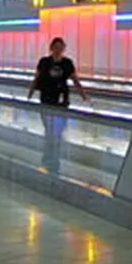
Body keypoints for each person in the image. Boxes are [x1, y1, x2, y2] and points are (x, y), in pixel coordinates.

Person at [27, 37, 88, 173]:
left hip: (61, 103)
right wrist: (29, 95)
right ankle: (48, 158)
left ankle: (54, 159)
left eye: (60, 47)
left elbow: (75, 81)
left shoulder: (67, 63)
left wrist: (84, 96)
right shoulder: (44, 62)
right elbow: (36, 79)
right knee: (49, 131)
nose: (58, 50)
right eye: (56, 47)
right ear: (51, 48)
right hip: (46, 101)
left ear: (63, 49)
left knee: (58, 132)